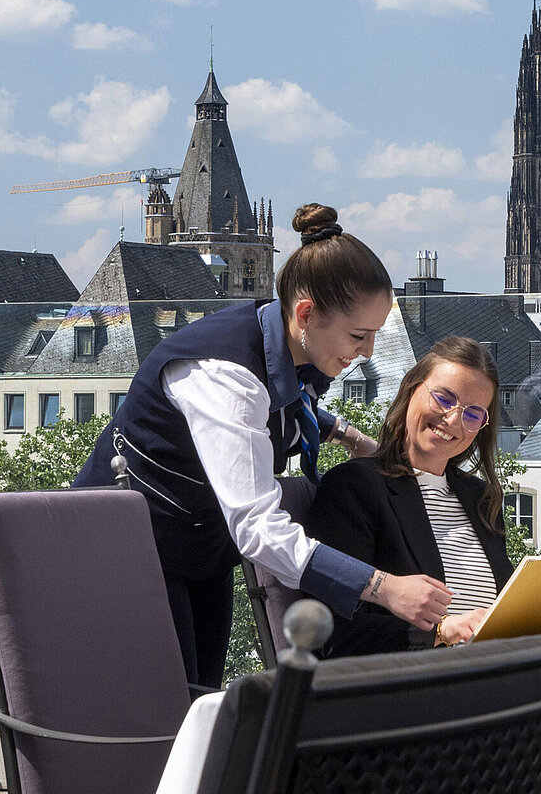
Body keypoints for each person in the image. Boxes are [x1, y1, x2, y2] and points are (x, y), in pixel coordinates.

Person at [74, 204, 452, 686]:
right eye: (359, 335)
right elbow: (256, 527)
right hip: (124, 553)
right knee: (168, 715)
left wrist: (350, 436)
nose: (369, 352)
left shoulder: (293, 346)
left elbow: (290, 406)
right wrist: (381, 587)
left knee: (201, 701)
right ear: (306, 313)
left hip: (198, 546)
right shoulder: (225, 374)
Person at [304, 337, 513, 657]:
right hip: (409, 688)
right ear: (411, 389)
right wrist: (441, 632)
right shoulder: (355, 488)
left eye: (473, 415)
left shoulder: (482, 500)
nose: (454, 420)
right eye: (444, 399)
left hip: (490, 676)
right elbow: (332, 632)